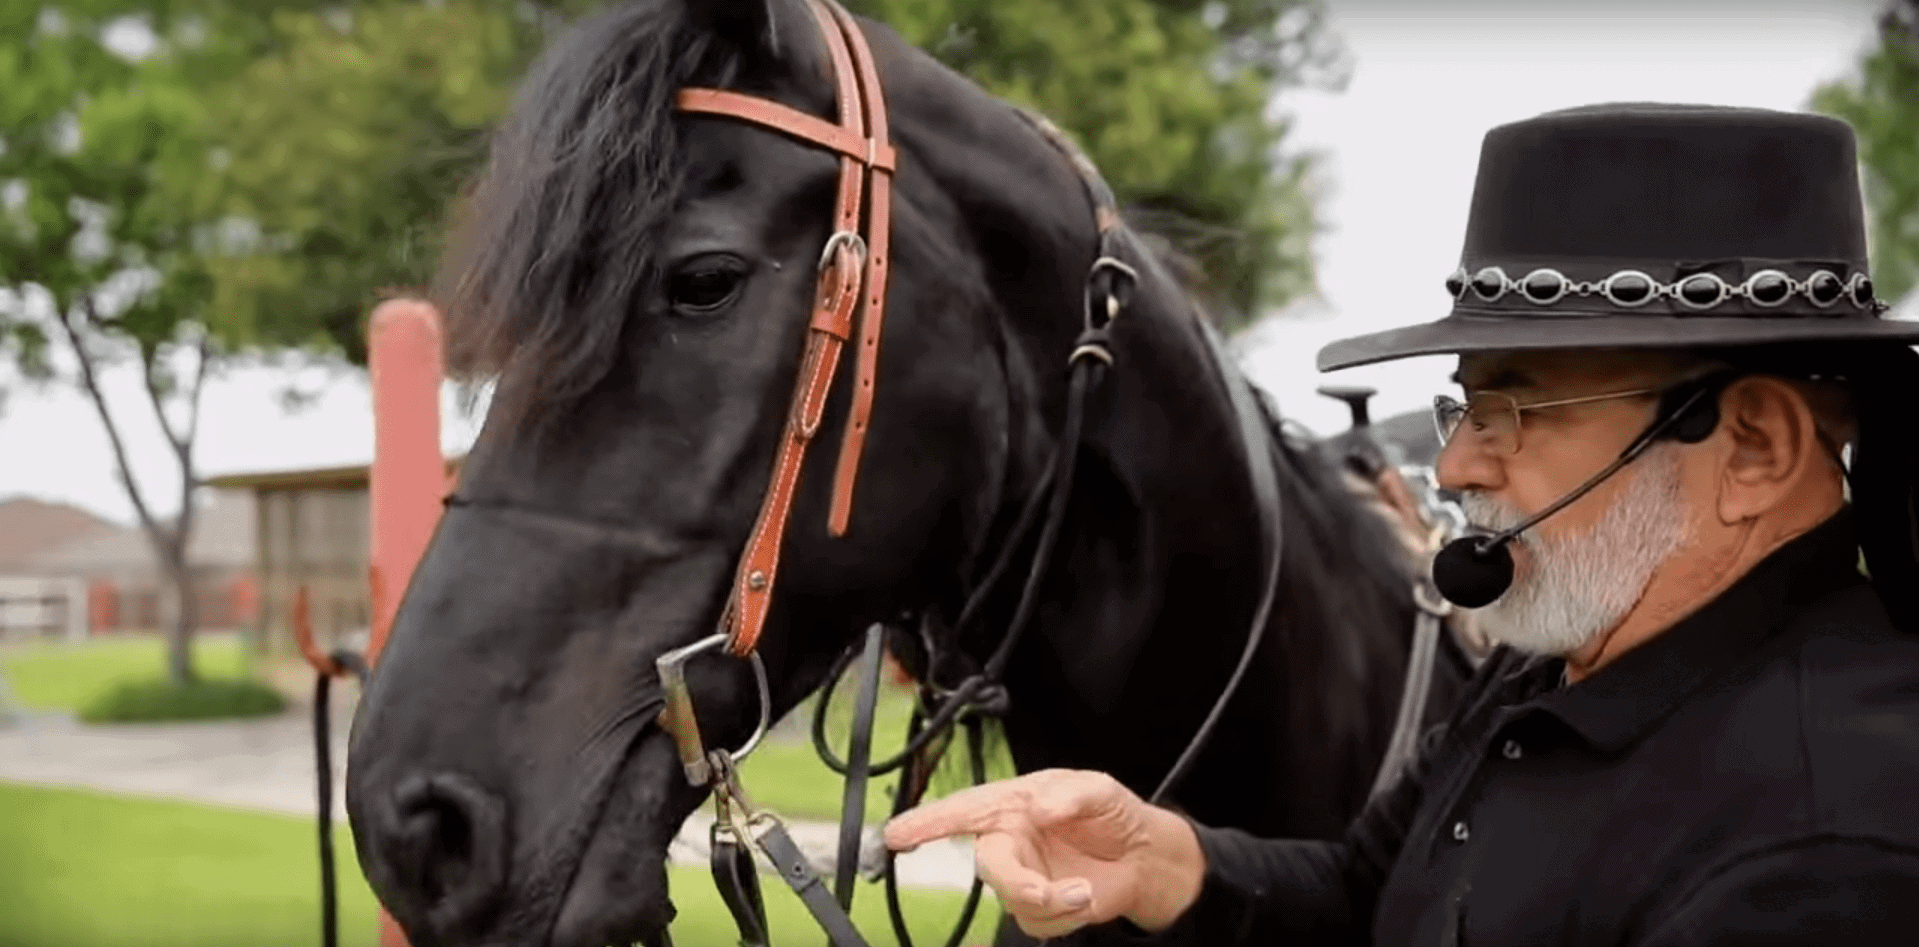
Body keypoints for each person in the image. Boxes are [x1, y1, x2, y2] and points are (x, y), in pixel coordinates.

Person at [882, 102, 1919, 945]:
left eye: (1515, 408)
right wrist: (1168, 862)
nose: (1459, 463)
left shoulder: (1826, 847)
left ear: (1753, 449)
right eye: (1463, 405)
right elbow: (1364, 892)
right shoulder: (1570, 659)